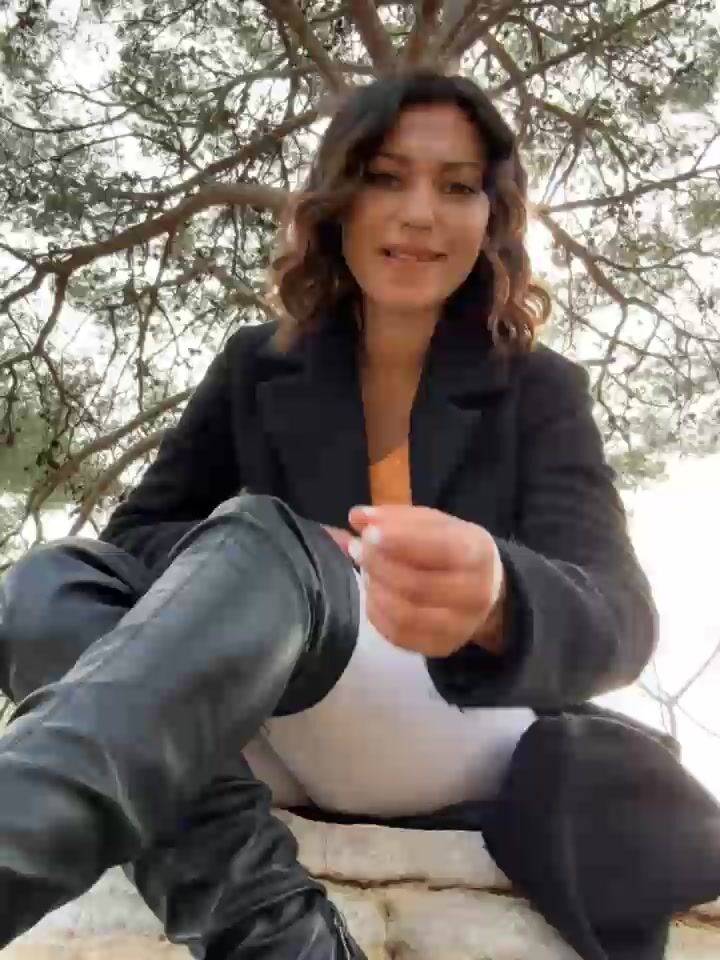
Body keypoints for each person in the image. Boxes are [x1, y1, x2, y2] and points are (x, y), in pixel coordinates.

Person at [0, 70, 717, 960]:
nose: (419, 214)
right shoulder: (255, 366)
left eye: (458, 187)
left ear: (491, 217)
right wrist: (290, 567)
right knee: (48, 583)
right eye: (386, 177)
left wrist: (499, 599)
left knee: (264, 540)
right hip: (267, 726)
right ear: (339, 199)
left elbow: (620, 616)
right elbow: (132, 545)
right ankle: (280, 939)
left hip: (456, 724)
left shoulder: (541, 389)